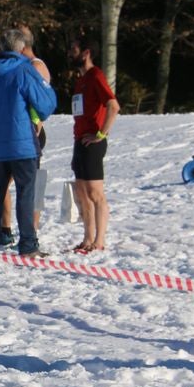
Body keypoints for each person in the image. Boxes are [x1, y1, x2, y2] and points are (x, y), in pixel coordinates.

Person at [0, 26, 57, 257]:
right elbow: (46, 103)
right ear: (20, 48)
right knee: (25, 193)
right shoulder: (23, 71)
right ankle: (28, 244)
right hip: (23, 144)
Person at [0, 24, 51, 246]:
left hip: (30, 134)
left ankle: (31, 233)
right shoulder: (18, 66)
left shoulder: (35, 66)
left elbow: (41, 101)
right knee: (2, 182)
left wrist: (36, 123)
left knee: (31, 184)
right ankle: (5, 229)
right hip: (14, 133)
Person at [68, 35, 120, 253]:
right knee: (81, 191)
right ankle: (88, 240)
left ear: (86, 53)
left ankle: (99, 241)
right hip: (80, 140)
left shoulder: (96, 75)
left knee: (95, 192)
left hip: (93, 141)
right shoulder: (81, 80)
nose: (69, 54)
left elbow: (113, 106)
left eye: (73, 50)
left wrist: (101, 134)